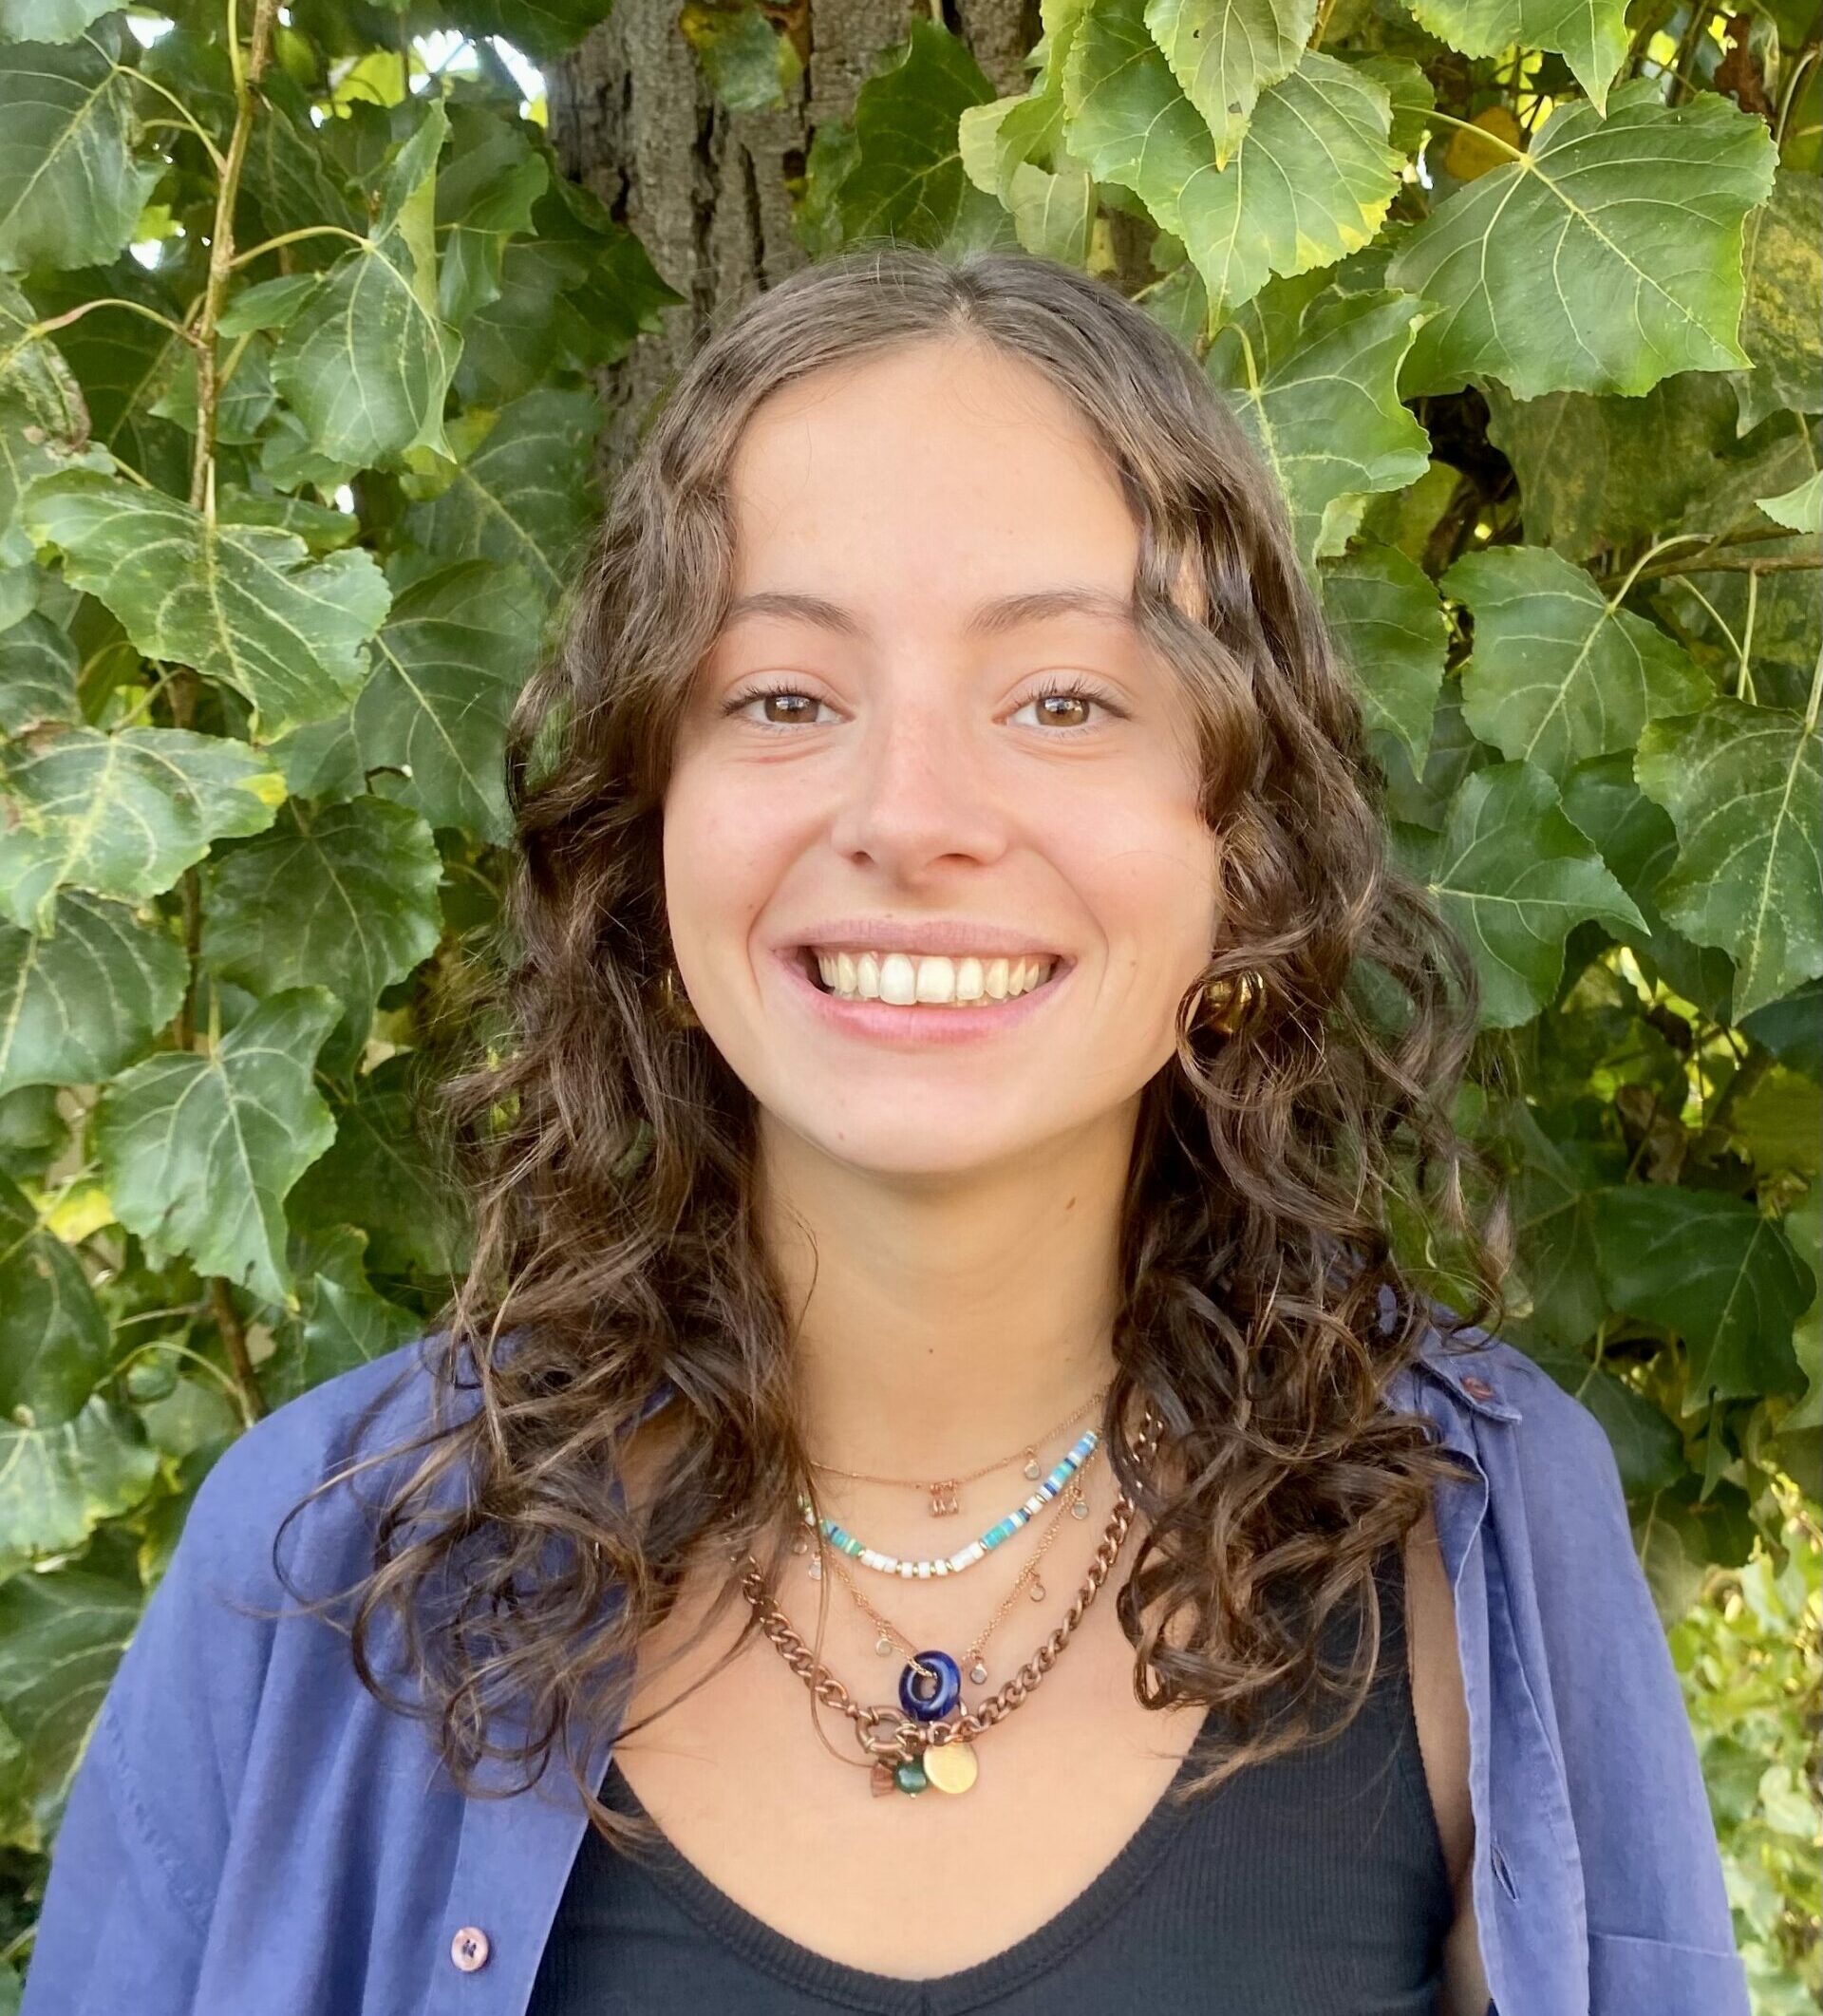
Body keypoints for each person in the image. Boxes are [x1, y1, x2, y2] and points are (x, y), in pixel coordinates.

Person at [21, 247, 1744, 2016]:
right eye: (785, 698)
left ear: (1244, 859)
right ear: (646, 836)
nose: (912, 817)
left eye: (1063, 700)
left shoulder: (1477, 1550)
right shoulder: (319, 1563)